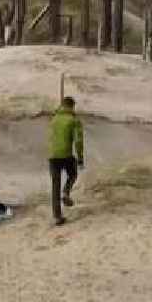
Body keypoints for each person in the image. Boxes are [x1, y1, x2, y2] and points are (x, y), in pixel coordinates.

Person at [48, 96, 84, 226]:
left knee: (55, 185)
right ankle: (66, 191)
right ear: (72, 106)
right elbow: (78, 141)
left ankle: (57, 217)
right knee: (73, 174)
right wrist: (80, 158)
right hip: (66, 155)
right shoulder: (73, 120)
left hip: (52, 156)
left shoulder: (53, 119)